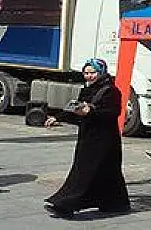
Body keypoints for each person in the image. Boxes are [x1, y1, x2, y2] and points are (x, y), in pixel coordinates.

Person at [43, 58, 130, 218]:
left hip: (104, 139)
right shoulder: (87, 89)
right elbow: (75, 109)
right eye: (86, 73)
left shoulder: (111, 91)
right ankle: (116, 203)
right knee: (108, 172)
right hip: (88, 137)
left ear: (101, 72)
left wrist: (90, 112)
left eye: (92, 73)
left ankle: (65, 205)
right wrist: (58, 117)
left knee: (83, 172)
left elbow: (112, 113)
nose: (89, 76)